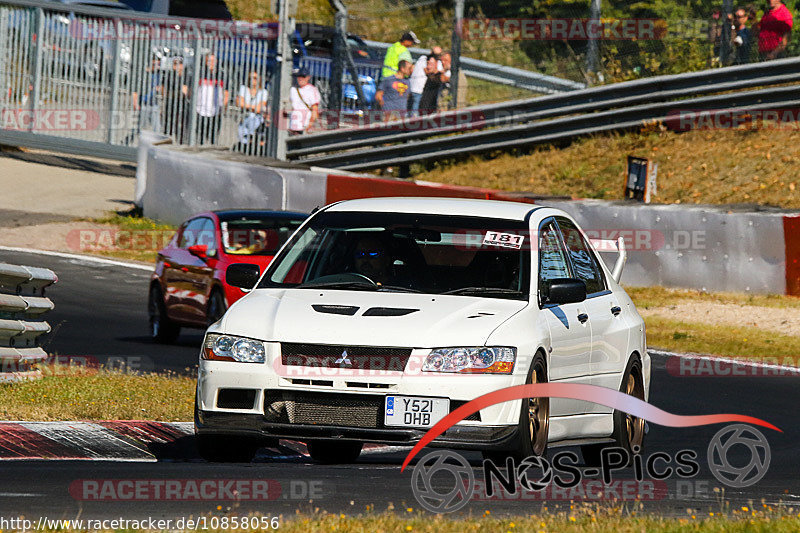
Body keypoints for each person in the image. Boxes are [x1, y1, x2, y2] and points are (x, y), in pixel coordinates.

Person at [193, 53, 229, 145]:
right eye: (209, 60)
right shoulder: (199, 73)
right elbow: (191, 90)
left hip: (215, 112)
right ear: (205, 62)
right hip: (200, 111)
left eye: (213, 60)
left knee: (213, 139)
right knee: (199, 138)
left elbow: (226, 93)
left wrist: (223, 108)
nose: (211, 63)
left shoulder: (222, 75)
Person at [235, 70, 269, 151]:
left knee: (253, 140)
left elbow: (259, 108)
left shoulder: (263, 92)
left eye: (255, 78)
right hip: (244, 118)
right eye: (250, 78)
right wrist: (253, 107)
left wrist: (246, 106)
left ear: (259, 79)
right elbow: (239, 103)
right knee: (242, 140)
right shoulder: (243, 88)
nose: (252, 80)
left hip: (256, 120)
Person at [408, 45, 441, 116]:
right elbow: (430, 72)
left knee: (410, 111)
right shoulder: (429, 60)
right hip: (419, 90)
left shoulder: (422, 58)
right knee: (415, 114)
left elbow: (412, 69)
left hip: (412, 88)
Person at [162, 57, 188, 142]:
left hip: (182, 105)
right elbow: (164, 91)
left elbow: (186, 92)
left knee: (180, 126)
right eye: (175, 64)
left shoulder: (187, 76)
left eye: (180, 64)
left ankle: (180, 143)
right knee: (167, 126)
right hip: (170, 104)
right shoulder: (169, 76)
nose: (177, 66)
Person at [288, 68, 321, 135]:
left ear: (308, 77)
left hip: (303, 127)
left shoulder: (312, 90)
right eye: (299, 76)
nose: (300, 78)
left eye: (303, 76)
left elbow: (315, 110)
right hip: (292, 126)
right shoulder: (293, 90)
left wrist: (309, 126)